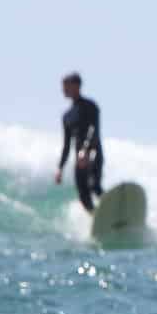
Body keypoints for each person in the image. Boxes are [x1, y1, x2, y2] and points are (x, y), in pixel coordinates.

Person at [54, 72, 104, 213]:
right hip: (79, 158)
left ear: (76, 86)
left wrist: (86, 150)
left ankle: (111, 208)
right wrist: (60, 168)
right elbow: (66, 145)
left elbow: (94, 129)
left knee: (95, 186)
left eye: (66, 86)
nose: (63, 90)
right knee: (83, 195)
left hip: (94, 153)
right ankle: (96, 217)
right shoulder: (67, 116)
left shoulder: (91, 106)